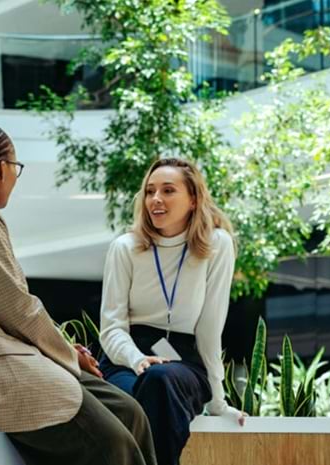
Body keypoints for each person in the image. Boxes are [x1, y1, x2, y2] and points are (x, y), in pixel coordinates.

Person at [0, 121, 157, 465]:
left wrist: (66, 351)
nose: (14, 178)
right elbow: (17, 309)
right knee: (112, 446)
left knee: (131, 413)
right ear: (0, 168)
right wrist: (71, 357)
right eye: (15, 168)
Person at [99, 157, 246, 465]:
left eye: (168, 190)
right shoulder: (125, 247)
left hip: (182, 360)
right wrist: (137, 359)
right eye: (150, 191)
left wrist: (218, 399)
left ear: (193, 199)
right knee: (136, 397)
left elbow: (209, 327)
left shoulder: (216, 245)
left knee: (160, 380)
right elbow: (111, 328)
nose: (156, 199)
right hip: (126, 357)